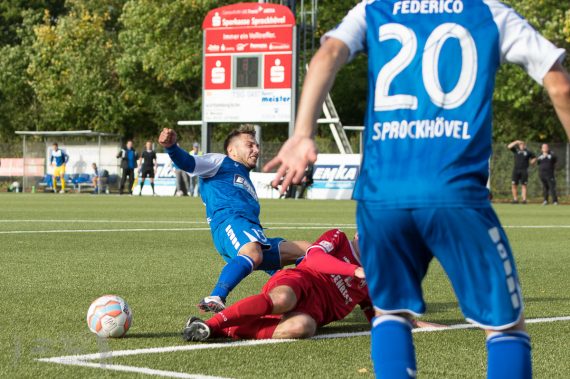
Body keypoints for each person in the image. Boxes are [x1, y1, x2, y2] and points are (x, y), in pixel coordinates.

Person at [264, 1, 570, 377]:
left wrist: (302, 133)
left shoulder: (372, 9)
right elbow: (560, 85)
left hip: (382, 196)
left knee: (391, 313)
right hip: (454, 191)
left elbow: (327, 54)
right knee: (505, 327)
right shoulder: (490, 12)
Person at [158, 125, 308, 313]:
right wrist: (172, 147)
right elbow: (188, 162)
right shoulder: (220, 162)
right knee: (253, 254)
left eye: (257, 146)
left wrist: (276, 271)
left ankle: (311, 295)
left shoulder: (246, 178)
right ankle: (216, 296)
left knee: (307, 250)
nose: (256, 150)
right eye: (250, 145)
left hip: (252, 233)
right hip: (230, 223)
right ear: (232, 150)